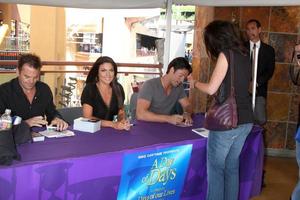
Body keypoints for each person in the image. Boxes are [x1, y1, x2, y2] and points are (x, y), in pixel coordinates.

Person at [188, 20, 253, 200]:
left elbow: (211, 89)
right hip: (246, 119)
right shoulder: (244, 54)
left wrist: (194, 83)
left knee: (216, 170)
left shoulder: (226, 55)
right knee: (232, 168)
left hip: (227, 122)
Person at [0, 53, 68, 131]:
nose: (31, 81)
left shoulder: (44, 89)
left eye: (35, 77)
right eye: (27, 77)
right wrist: (25, 124)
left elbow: (52, 112)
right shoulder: (4, 91)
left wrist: (57, 119)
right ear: (18, 72)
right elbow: (1, 124)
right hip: (14, 140)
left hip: (41, 137)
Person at [136, 57, 193, 125]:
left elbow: (187, 105)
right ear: (172, 70)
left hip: (164, 127)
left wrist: (187, 113)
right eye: (180, 76)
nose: (182, 80)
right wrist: (168, 119)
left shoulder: (178, 87)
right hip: (145, 127)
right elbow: (140, 114)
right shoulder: (150, 85)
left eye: (184, 78)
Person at [81, 56, 130, 130]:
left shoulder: (118, 88)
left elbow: (121, 112)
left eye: (111, 70)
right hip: (92, 132)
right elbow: (87, 117)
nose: (108, 74)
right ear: (97, 72)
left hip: (110, 132)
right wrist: (113, 124)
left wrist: (122, 120)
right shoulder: (89, 89)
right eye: (103, 70)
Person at [245, 19, 275, 125]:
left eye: (253, 28)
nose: (250, 32)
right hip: (242, 91)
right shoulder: (241, 48)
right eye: (248, 29)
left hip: (259, 90)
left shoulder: (269, 50)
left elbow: (270, 71)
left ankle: (256, 141)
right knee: (242, 120)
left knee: (260, 119)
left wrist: (255, 83)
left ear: (259, 30)